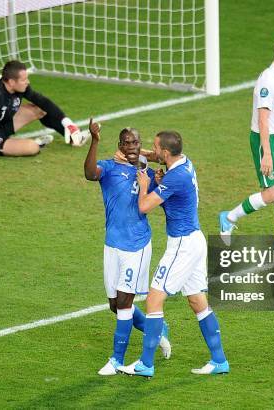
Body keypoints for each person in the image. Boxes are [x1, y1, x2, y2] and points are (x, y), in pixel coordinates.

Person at [117, 131, 229, 378]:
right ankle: (219, 360)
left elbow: (144, 206)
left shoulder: (175, 177)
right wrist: (138, 156)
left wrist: (147, 185)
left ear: (166, 153)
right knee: (198, 301)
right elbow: (157, 161)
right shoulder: (184, 163)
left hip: (182, 245)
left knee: (154, 299)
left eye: (156, 148)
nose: (153, 151)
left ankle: (146, 364)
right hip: (194, 241)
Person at [84, 118, 171, 376]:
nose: (132, 146)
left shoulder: (146, 171)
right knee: (115, 304)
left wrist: (150, 172)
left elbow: (162, 157)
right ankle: (157, 330)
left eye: (136, 142)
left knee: (123, 303)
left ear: (140, 145)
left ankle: (116, 360)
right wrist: (95, 140)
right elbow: (89, 173)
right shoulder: (110, 168)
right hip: (112, 244)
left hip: (137, 244)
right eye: (127, 142)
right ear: (120, 145)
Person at [219, 37, 274, 249]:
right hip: (266, 139)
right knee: (272, 193)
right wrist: (267, 153)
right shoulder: (268, 80)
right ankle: (229, 218)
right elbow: (263, 119)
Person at [0, 60, 89, 163]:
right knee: (33, 148)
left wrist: (66, 122)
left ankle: (74, 139)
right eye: (24, 79)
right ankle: (36, 143)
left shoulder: (22, 88)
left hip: (4, 126)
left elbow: (42, 101)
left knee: (40, 109)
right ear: (11, 82)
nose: (28, 82)